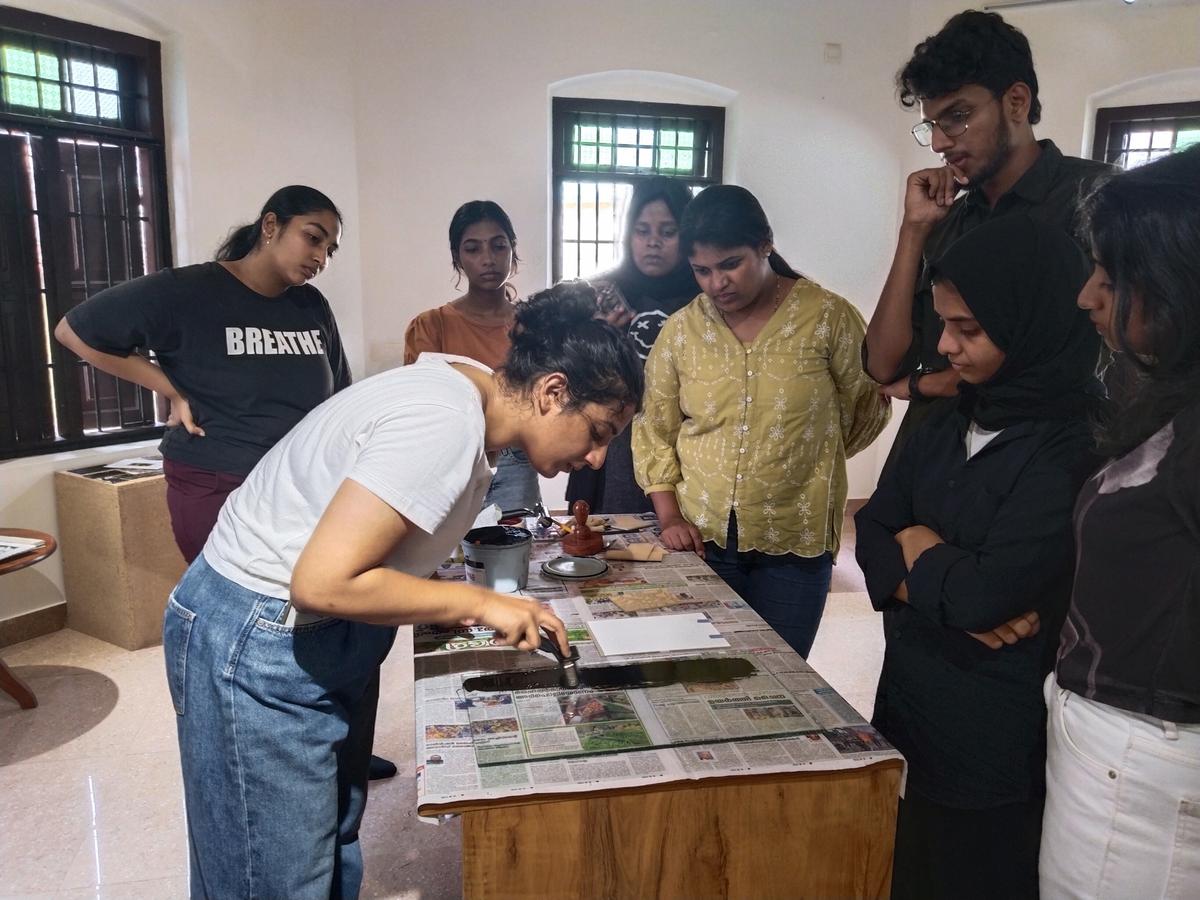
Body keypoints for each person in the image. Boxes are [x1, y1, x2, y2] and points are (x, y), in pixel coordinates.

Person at [166, 281, 644, 898]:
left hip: (315, 631)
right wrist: (479, 600)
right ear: (553, 392)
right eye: (599, 432)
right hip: (255, 632)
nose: (600, 457)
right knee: (274, 875)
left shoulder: (470, 400)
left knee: (326, 843)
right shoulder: (442, 419)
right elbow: (323, 582)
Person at [54, 187, 402, 782]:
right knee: (250, 630)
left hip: (301, 491)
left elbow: (338, 394)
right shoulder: (189, 290)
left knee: (333, 622)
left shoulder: (310, 306)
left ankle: (339, 748)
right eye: (312, 237)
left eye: (330, 248)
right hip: (217, 484)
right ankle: (268, 765)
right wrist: (167, 386)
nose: (320, 255)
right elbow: (74, 331)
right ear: (271, 226)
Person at [854, 214, 1102, 899]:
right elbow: (872, 534)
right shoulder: (946, 412)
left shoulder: (1071, 446)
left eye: (969, 330)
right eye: (943, 324)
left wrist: (917, 550)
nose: (944, 347)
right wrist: (924, 560)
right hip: (908, 702)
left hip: (995, 736)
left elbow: (987, 598)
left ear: (1030, 323)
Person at [634, 185, 889, 658]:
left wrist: (807, 456)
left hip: (796, 538)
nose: (717, 283)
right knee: (700, 669)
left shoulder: (828, 318)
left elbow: (865, 406)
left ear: (765, 243)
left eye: (730, 264)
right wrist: (668, 516)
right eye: (702, 271)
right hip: (701, 534)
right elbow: (655, 429)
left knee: (782, 675)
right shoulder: (682, 331)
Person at [1041, 146, 1200, 898]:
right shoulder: (1169, 399)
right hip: (1121, 758)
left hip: (1151, 777)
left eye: (1111, 277)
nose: (1087, 297)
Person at [863, 10, 1111, 462]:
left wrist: (928, 382)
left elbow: (1099, 364)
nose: (939, 142)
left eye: (957, 116)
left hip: (1045, 465)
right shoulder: (949, 220)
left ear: (1016, 102)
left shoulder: (1098, 201)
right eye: (931, 125)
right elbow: (883, 365)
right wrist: (913, 230)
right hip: (934, 456)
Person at [567, 176, 698, 514]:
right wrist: (596, 341)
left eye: (667, 232)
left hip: (682, 448)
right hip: (611, 450)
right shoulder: (600, 295)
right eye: (642, 231)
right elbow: (565, 378)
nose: (653, 242)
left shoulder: (705, 298)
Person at [404, 200, 540, 512]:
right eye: (473, 249)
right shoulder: (431, 326)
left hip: (516, 460)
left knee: (518, 551)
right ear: (457, 257)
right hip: (452, 461)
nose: (488, 259)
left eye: (498, 246)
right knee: (453, 557)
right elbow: (423, 406)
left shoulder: (532, 326)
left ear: (512, 250)